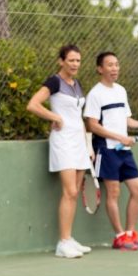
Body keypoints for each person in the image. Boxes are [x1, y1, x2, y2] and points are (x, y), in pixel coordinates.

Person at [26, 44, 92, 259]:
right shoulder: (54, 82)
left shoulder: (77, 84)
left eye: (78, 61)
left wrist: (88, 145)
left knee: (74, 192)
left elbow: (78, 117)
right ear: (61, 61)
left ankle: (69, 238)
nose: (75, 64)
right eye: (71, 60)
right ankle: (62, 243)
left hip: (79, 142)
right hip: (62, 141)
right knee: (70, 192)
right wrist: (55, 117)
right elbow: (33, 105)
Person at [84, 51, 138, 251]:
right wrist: (119, 137)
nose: (114, 68)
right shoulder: (95, 94)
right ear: (100, 68)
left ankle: (131, 234)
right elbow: (92, 125)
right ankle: (120, 236)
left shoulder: (121, 91)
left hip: (123, 150)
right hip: (106, 150)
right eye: (110, 65)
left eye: (116, 64)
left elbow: (125, 120)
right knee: (113, 193)